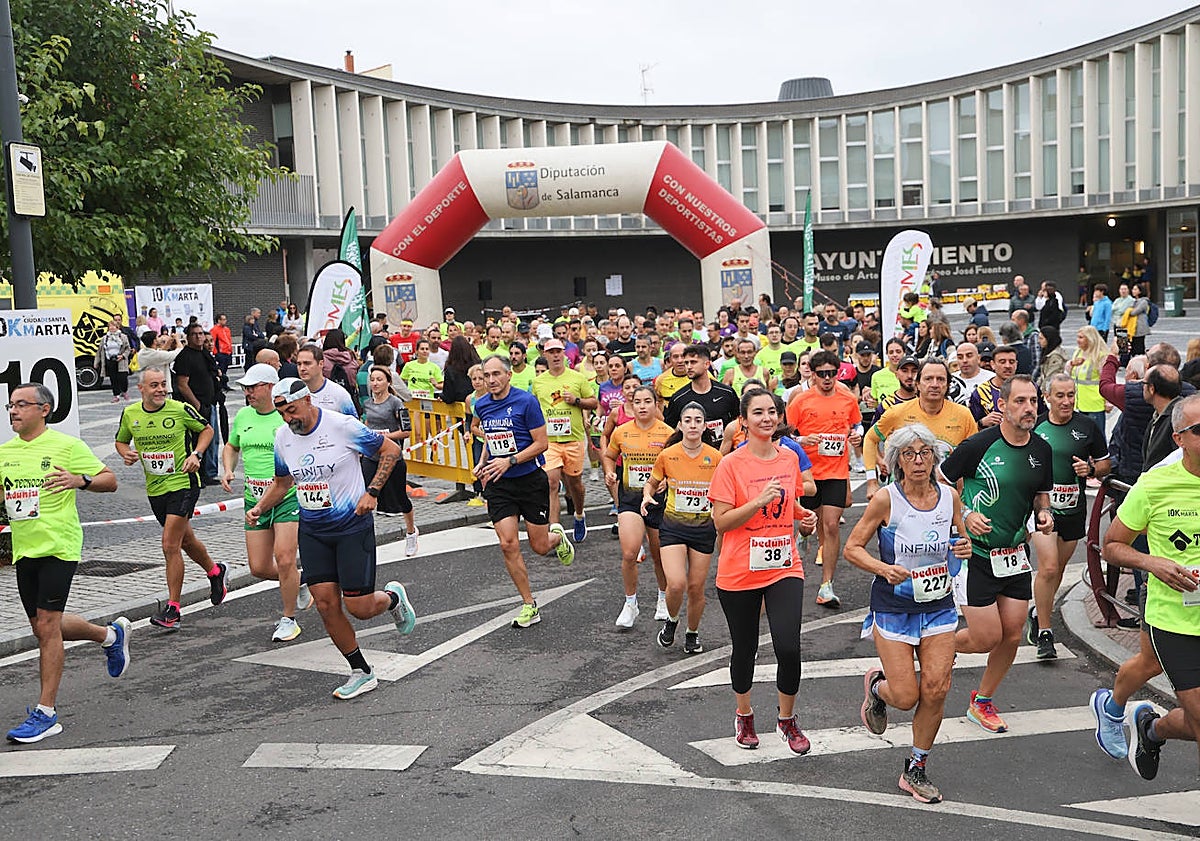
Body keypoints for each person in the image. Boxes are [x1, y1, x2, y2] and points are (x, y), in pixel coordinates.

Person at [251, 378, 416, 700]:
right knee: (326, 605)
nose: (288, 419)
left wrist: (372, 492)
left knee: (360, 608)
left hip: (352, 527)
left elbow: (391, 450)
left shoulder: (342, 426)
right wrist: (259, 507)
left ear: (308, 400)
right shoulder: (283, 438)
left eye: (292, 411)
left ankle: (393, 599)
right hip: (313, 531)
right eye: (282, 413)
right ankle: (361, 671)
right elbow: (283, 482)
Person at [844, 423, 972, 804]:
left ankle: (915, 767)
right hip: (895, 608)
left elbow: (958, 539)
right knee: (905, 696)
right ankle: (876, 689)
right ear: (896, 460)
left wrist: (962, 548)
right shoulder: (887, 500)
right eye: (909, 453)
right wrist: (883, 569)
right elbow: (853, 548)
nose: (918, 460)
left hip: (938, 608)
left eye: (925, 452)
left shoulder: (949, 497)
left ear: (935, 457)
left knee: (937, 687)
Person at [0, 383, 128, 743]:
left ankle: (46, 712)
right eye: (11, 405)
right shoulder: (5, 452)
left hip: (60, 546)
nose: (13, 411)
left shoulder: (66, 446)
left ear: (44, 409)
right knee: (42, 628)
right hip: (25, 550)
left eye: (22, 405)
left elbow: (110, 480)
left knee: (48, 624)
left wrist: (79, 480)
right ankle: (109, 635)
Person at [941, 375, 1054, 733]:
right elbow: (940, 483)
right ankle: (934, 648)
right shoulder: (979, 444)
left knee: (1013, 633)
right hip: (976, 554)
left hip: (1015, 553)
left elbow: (1040, 493)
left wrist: (1044, 514)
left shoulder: (1041, 448)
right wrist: (965, 515)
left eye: (1033, 401)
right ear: (1001, 405)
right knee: (985, 636)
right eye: (1020, 401)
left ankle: (983, 701)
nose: (1028, 408)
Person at [710, 388, 818, 753]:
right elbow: (721, 523)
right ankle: (744, 715)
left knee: (788, 645)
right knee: (745, 647)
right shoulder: (731, 465)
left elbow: (787, 506)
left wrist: (804, 518)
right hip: (739, 570)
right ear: (743, 420)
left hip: (784, 565)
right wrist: (757, 501)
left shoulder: (788, 458)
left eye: (772, 411)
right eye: (758, 413)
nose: (766, 418)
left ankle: (787, 720)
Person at [1099, 393, 1200, 780]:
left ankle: (1152, 730)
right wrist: (1151, 562)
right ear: (1179, 439)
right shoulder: (1155, 485)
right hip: (1175, 622)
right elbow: (1111, 545)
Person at [115, 369, 228, 630]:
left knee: (169, 545)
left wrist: (197, 455)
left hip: (183, 483)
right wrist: (126, 453)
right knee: (185, 539)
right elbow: (120, 441)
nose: (160, 389)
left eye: (163, 384)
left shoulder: (180, 409)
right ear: (141, 388)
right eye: (154, 385)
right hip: (156, 488)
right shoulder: (131, 413)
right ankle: (215, 572)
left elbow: (207, 430)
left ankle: (173, 610)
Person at [472, 355, 576, 628]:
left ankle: (556, 537)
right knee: (507, 544)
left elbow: (542, 443)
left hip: (529, 479)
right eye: (486, 376)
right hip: (499, 483)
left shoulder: (526, 402)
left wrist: (511, 460)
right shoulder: (480, 404)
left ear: (508, 375)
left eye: (496, 374)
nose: (491, 380)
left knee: (539, 547)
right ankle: (529, 604)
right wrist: (483, 463)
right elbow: (490, 439)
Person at [221, 364, 310, 642]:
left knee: (284, 558)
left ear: (271, 387)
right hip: (253, 498)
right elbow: (232, 445)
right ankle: (300, 580)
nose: (247, 392)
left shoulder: (285, 418)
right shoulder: (245, 415)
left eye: (253, 387)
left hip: (285, 497)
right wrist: (228, 468)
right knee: (259, 567)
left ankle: (288, 618)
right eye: (245, 388)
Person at [1024, 374, 1110, 658]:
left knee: (1058, 570)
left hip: (1072, 508)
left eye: (1070, 395)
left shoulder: (1086, 426)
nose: (1066, 401)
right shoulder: (1035, 424)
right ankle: (1046, 634)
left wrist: (1092, 470)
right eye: (1060, 395)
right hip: (1040, 506)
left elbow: (1105, 462)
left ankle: (1039, 612)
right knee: (1047, 567)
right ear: (1047, 397)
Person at [643, 402, 721, 654]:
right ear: (680, 424)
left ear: (705, 425)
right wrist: (647, 496)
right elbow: (652, 482)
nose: (693, 425)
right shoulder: (668, 454)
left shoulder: (715, 456)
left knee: (697, 587)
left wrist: (719, 509)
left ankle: (692, 633)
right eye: (688, 420)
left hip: (703, 528)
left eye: (698, 420)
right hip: (673, 527)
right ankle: (673, 620)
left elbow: (724, 490)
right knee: (676, 584)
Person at [786, 351, 863, 607]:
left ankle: (826, 585)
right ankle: (805, 535)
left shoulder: (847, 399)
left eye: (832, 373)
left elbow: (858, 424)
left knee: (831, 525)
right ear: (813, 374)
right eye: (822, 374)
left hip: (836, 472)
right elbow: (784, 434)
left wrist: (856, 436)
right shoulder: (801, 400)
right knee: (810, 522)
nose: (828, 378)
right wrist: (801, 440)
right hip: (809, 474)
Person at [603, 386, 672, 629]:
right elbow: (609, 455)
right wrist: (610, 473)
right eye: (637, 402)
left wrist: (667, 480)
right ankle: (630, 603)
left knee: (658, 553)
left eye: (647, 402)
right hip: (631, 498)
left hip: (658, 500)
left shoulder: (668, 433)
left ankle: (663, 598)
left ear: (656, 405)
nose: (642, 406)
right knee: (630, 553)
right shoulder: (622, 432)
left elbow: (677, 465)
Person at [863, 358, 977, 498]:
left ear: (948, 385)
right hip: (903, 496)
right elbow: (869, 439)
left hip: (946, 497)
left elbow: (973, 458)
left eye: (940, 379)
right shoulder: (897, 412)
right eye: (928, 379)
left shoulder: (963, 415)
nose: (935, 384)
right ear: (917, 384)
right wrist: (871, 481)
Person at [531, 338, 597, 541]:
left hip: (573, 438)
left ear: (565, 354)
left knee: (575, 484)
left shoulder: (577, 378)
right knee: (551, 482)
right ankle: (555, 527)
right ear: (545, 355)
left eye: (559, 351)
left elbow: (593, 402)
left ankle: (579, 514)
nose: (556, 355)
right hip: (550, 441)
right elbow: (533, 408)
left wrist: (576, 401)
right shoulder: (539, 382)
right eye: (551, 352)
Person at [361, 366, 420, 555]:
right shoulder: (367, 403)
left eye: (379, 379)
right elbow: (367, 424)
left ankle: (411, 532)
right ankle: (364, 538)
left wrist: (384, 437)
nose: (375, 383)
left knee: (401, 499)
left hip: (392, 457)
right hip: (371, 457)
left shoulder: (396, 403)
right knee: (363, 495)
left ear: (388, 382)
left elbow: (407, 431)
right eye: (373, 380)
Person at [173, 323, 222, 483]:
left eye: (201, 333)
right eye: (195, 334)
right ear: (188, 337)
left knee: (212, 439)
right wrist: (196, 405)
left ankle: (209, 472)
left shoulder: (204, 354)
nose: (199, 337)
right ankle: (197, 475)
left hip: (210, 403)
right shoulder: (185, 356)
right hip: (196, 407)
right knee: (196, 441)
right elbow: (182, 384)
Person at [664, 344, 740, 446]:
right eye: (686, 363)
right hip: (692, 455)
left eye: (693, 362)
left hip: (723, 454)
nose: (689, 367)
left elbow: (738, 422)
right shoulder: (679, 398)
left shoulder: (726, 393)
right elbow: (670, 429)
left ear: (707, 364)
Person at [1068, 326, 1110, 434]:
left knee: (1097, 436)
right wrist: (1072, 364)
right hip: (1079, 402)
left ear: (1090, 339)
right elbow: (1070, 374)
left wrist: (1108, 401)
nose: (1078, 340)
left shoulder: (1100, 356)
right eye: (1077, 337)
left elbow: (1106, 380)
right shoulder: (1078, 352)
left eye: (1081, 337)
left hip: (1094, 403)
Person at [297, 343, 358, 417]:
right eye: (299, 364)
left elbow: (354, 425)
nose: (302, 368)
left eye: (307, 363)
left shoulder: (339, 394)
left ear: (321, 364)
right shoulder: (292, 394)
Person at [968, 344, 1019, 427]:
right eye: (1002, 362)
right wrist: (982, 423)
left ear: (1016, 364)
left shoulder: (1029, 388)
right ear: (993, 364)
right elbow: (969, 427)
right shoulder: (980, 392)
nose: (1007, 366)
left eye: (1011, 362)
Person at [94, 318, 132, 403]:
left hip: (120, 360)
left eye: (114, 326)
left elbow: (128, 349)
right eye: (110, 326)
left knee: (122, 377)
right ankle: (116, 395)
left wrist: (123, 356)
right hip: (109, 360)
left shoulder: (123, 337)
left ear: (117, 327)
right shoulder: (105, 338)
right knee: (113, 379)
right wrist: (96, 362)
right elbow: (100, 351)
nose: (112, 328)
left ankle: (124, 391)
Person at [1035, 325, 1069, 393]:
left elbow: (1050, 378)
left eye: (1041, 338)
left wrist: (1041, 393)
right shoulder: (1048, 352)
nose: (1039, 341)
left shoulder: (1055, 356)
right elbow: (1042, 376)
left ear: (1048, 339)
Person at [1125, 283, 1152, 357]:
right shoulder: (1134, 301)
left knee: (1139, 346)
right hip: (1132, 327)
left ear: (1140, 291)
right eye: (1133, 289)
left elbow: (1134, 312)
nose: (1133, 291)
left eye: (1135, 289)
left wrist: (1128, 310)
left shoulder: (1144, 301)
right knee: (1131, 346)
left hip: (1140, 327)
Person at [210, 313, 233, 384]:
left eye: (225, 319)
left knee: (225, 368)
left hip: (227, 351)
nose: (225, 321)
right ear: (218, 320)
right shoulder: (214, 329)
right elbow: (213, 341)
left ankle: (224, 383)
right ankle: (220, 384)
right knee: (221, 369)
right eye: (223, 319)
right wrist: (216, 352)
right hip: (220, 352)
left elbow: (229, 340)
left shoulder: (227, 329)